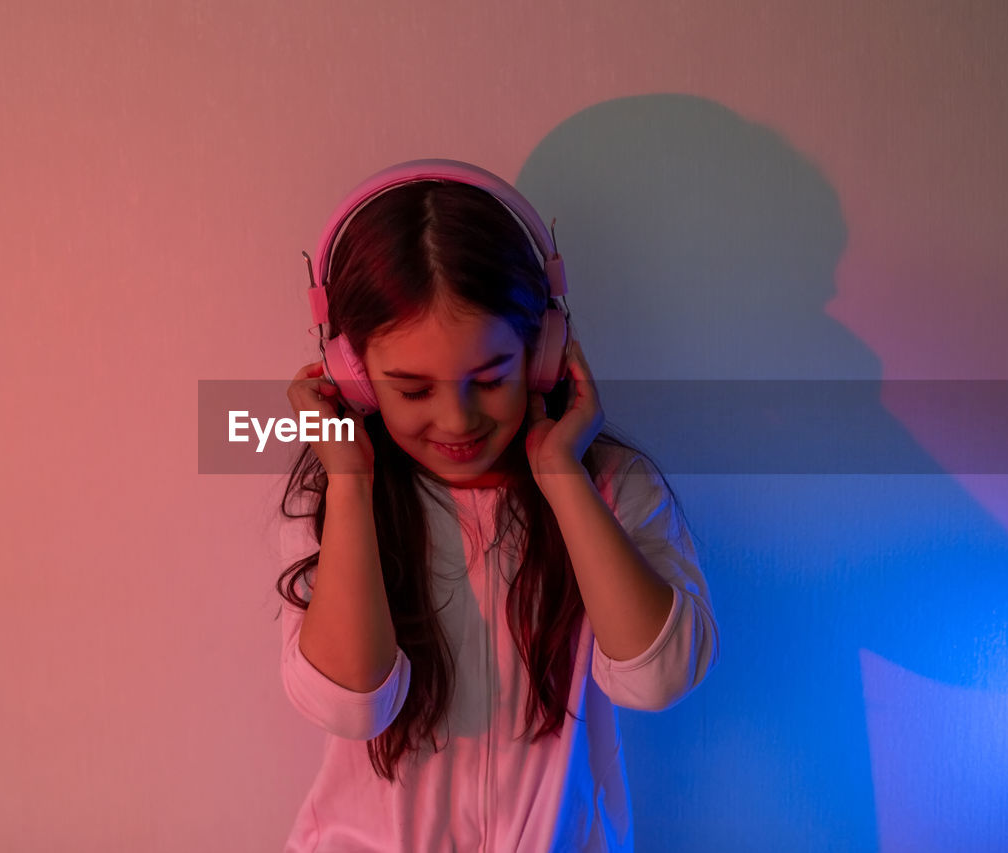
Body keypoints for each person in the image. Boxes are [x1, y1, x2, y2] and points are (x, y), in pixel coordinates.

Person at [273, 159, 719, 852]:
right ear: (352, 377)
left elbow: (657, 678)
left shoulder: (610, 486)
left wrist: (561, 474)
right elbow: (352, 702)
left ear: (542, 355)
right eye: (412, 390)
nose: (457, 421)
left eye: (490, 378)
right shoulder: (329, 500)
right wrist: (351, 482)